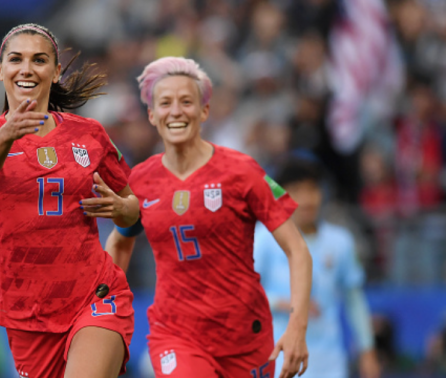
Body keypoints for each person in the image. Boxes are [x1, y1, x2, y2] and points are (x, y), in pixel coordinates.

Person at [103, 57, 312, 378]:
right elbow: (120, 242)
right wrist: (102, 315)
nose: (175, 111)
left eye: (186, 101)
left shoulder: (242, 171)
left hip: (245, 334)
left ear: (203, 111)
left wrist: (297, 326)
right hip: (175, 333)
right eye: (165, 103)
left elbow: (297, 249)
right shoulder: (140, 181)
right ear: (151, 114)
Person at [0, 23, 139, 378]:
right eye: (16, 59)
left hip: (96, 295)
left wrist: (122, 209)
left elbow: (134, 208)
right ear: (0, 70)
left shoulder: (90, 135)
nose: (27, 68)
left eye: (39, 60)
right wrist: (10, 131)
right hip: (27, 315)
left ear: (55, 72)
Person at [254, 157, 382, 378]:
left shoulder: (340, 241)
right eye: (296, 190)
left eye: (312, 189)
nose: (306, 199)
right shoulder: (264, 239)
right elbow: (246, 294)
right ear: (281, 195)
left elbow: (354, 299)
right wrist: (286, 303)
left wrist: (367, 350)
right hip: (279, 360)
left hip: (329, 362)